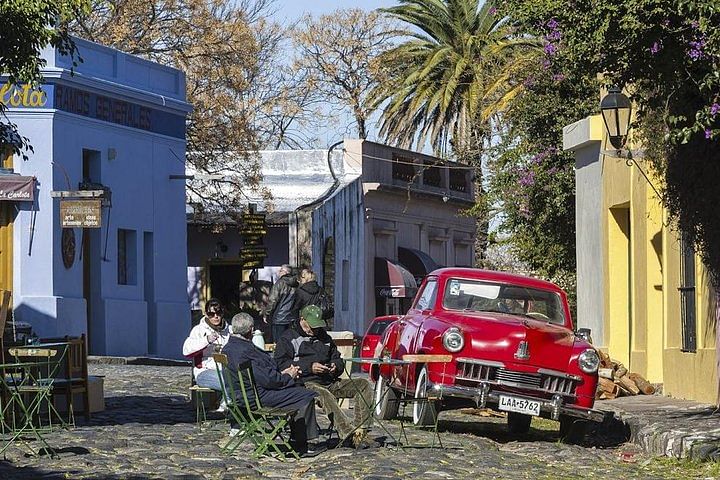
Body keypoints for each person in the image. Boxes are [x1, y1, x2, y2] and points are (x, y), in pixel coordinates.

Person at [223, 312, 324, 457]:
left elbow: (265, 374)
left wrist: (284, 373)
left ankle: (297, 439)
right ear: (251, 330)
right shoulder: (244, 351)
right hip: (257, 397)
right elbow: (269, 380)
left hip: (242, 395)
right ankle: (303, 444)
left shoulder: (230, 347)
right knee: (306, 395)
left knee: (297, 389)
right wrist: (288, 375)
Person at [274, 305, 374, 447]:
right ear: (302, 319)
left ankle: (361, 432)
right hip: (305, 382)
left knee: (363, 385)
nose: (314, 330)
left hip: (328, 379)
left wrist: (335, 366)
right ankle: (347, 434)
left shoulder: (324, 336)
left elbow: (337, 358)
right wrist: (310, 367)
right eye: (311, 327)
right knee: (324, 394)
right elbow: (281, 364)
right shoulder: (288, 338)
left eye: (317, 327)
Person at [182, 298, 231, 408]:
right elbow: (186, 351)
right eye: (211, 314)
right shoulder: (198, 330)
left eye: (218, 313)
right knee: (228, 382)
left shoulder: (229, 330)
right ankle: (226, 406)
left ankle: (227, 404)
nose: (215, 316)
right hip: (204, 371)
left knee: (239, 379)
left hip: (225, 369)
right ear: (206, 314)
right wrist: (206, 340)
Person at [263, 264, 298, 342]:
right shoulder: (296, 285)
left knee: (279, 343)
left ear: (285, 272)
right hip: (292, 318)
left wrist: (266, 314)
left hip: (279, 318)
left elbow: (272, 300)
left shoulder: (279, 283)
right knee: (290, 342)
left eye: (281, 270)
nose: (279, 271)